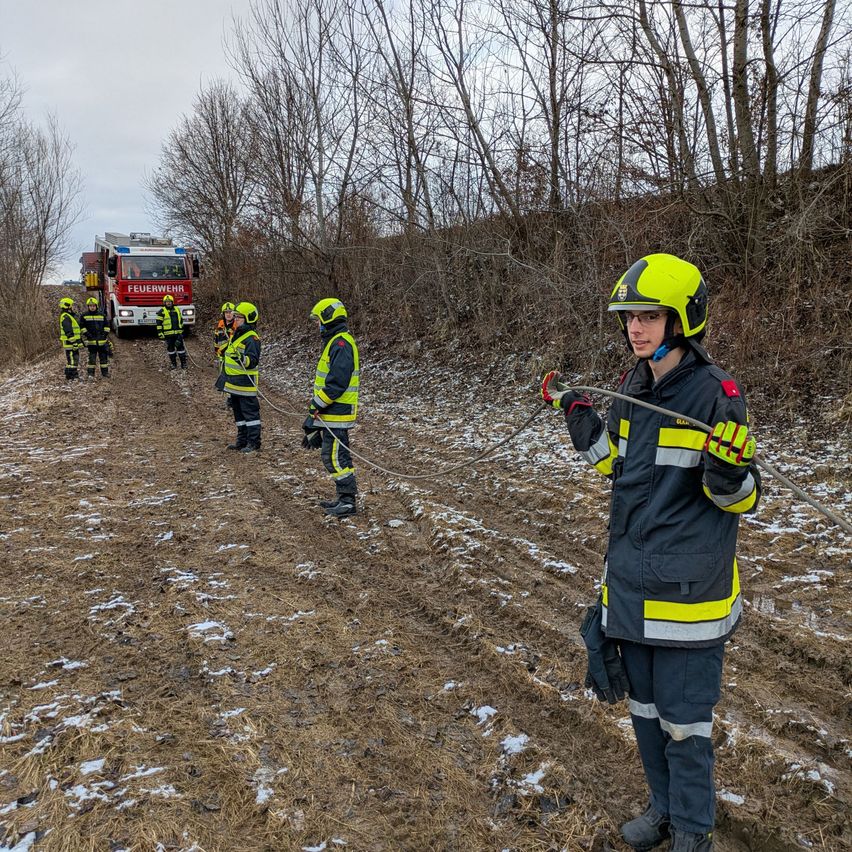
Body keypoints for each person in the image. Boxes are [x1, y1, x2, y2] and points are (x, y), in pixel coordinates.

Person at [540, 254, 761, 852]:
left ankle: (693, 833)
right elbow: (620, 466)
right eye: (629, 317)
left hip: (688, 601)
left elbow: (742, 499)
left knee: (685, 728)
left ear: (682, 319)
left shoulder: (718, 396)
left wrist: (728, 467)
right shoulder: (638, 387)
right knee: (644, 717)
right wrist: (578, 413)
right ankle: (663, 812)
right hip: (633, 590)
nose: (636, 328)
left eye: (650, 316)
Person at [303, 298, 360, 517]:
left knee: (335, 457)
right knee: (334, 456)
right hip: (331, 413)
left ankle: (347, 501)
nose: (317, 325)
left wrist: (317, 404)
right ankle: (343, 498)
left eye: (318, 320)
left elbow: (337, 383)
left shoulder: (341, 344)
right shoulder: (335, 341)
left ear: (328, 318)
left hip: (337, 413)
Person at [221, 301, 261, 453]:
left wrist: (242, 359)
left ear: (248, 319)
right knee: (239, 415)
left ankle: (254, 443)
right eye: (235, 316)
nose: (235, 319)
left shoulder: (252, 338)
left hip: (245, 385)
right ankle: (241, 441)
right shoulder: (238, 333)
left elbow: (253, 360)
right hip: (234, 385)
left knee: (251, 416)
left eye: (239, 317)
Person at [79, 296, 111, 379]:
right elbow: (82, 327)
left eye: (93, 306)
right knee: (91, 360)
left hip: (102, 342)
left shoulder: (102, 315)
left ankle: (105, 373)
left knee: (103, 360)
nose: (92, 307)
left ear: (96, 306)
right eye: (90, 306)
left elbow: (107, 326)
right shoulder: (84, 316)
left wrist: (104, 334)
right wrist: (88, 335)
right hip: (91, 342)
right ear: (88, 306)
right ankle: (90, 374)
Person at [156, 294, 187, 369]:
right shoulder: (161, 311)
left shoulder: (177, 309)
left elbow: (181, 321)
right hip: (168, 335)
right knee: (171, 350)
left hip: (178, 334)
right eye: (167, 302)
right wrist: (160, 333)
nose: (168, 303)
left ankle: (184, 364)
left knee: (181, 349)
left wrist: (182, 332)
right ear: (164, 303)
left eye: (169, 302)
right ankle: (174, 364)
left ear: (172, 302)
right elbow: (158, 324)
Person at [58, 297, 83, 381]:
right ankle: (72, 376)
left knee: (71, 359)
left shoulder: (67, 315)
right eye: (71, 305)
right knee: (72, 359)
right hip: (70, 342)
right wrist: (74, 342)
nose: (73, 307)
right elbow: (68, 331)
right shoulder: (66, 316)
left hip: (71, 342)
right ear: (67, 306)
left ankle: (69, 375)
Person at [214, 302, 237, 369]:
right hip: (222, 358)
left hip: (233, 359)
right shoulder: (220, 325)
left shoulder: (237, 326)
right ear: (223, 314)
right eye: (226, 312)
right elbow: (216, 341)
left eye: (230, 312)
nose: (228, 314)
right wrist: (218, 353)